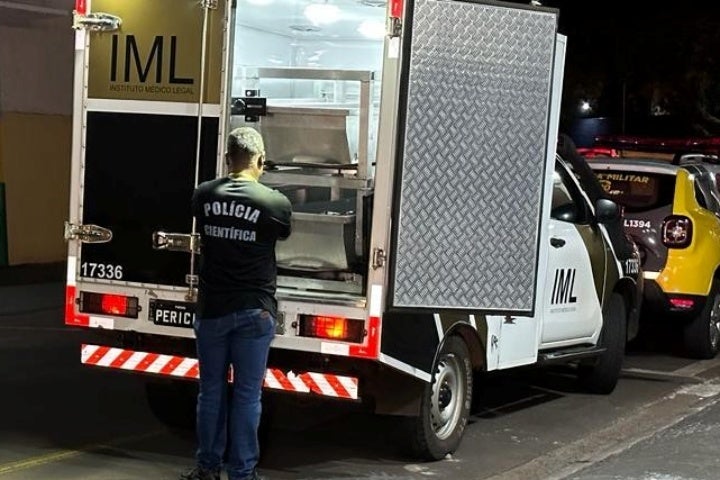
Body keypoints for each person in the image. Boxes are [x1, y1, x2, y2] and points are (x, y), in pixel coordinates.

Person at [181, 126, 292, 480]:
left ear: (228, 158)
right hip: (254, 310)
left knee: (210, 392)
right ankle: (242, 473)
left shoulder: (203, 195)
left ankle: (207, 468)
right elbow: (283, 232)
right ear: (260, 160)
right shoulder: (274, 203)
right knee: (246, 395)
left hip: (212, 309)